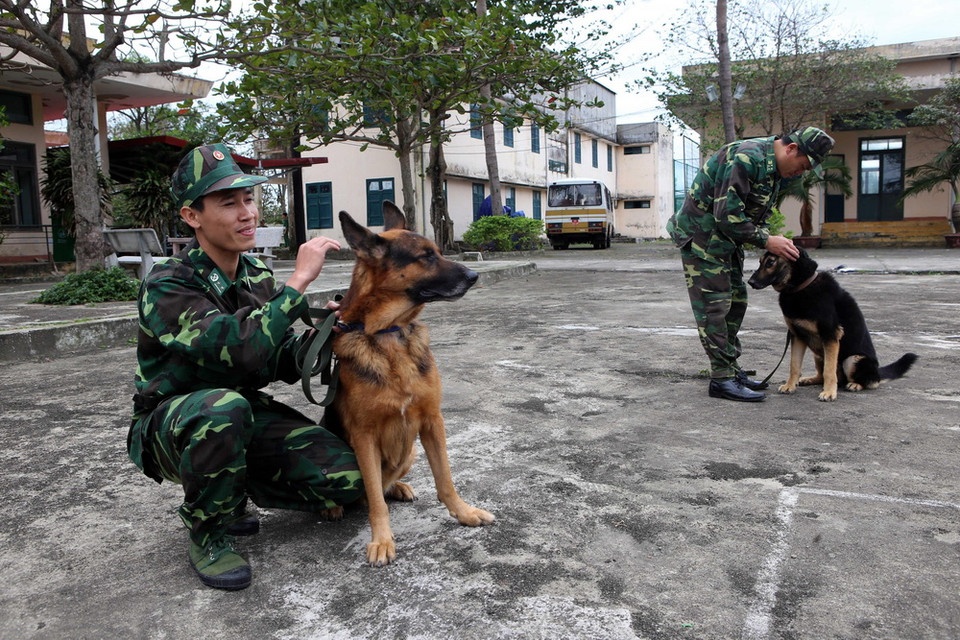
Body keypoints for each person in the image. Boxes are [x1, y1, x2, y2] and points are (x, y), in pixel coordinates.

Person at [126, 143, 363, 590]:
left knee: (346, 480)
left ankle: (229, 491)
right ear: (192, 216)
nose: (246, 213)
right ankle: (208, 531)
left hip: (240, 416)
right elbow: (240, 350)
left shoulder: (255, 275)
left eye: (249, 199)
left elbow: (277, 357)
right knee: (223, 408)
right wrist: (298, 284)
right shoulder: (168, 283)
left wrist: (326, 334)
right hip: (175, 426)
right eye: (227, 202)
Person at [666, 126, 835, 402]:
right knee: (715, 307)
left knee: (737, 301)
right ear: (791, 149)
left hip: (726, 241)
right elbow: (727, 215)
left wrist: (771, 240)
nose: (800, 172)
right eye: (802, 165)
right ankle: (721, 379)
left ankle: (731, 371)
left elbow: (758, 215)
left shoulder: (774, 172)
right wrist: (767, 241)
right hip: (703, 237)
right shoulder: (747, 158)